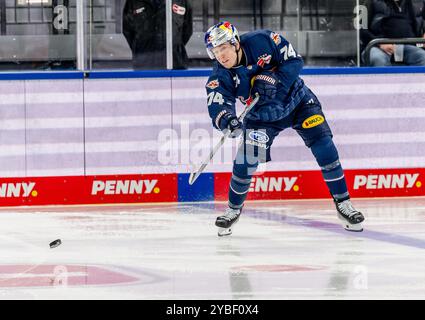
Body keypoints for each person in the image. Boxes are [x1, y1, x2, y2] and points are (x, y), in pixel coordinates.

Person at [204, 22, 365, 236]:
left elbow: (294, 60)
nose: (220, 55)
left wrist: (276, 79)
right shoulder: (220, 75)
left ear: (235, 43)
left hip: (298, 102)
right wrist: (228, 120)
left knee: (324, 146)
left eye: (223, 48)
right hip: (262, 117)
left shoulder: (263, 40)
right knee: (246, 162)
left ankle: (344, 205)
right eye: (215, 51)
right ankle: (232, 210)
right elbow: (218, 104)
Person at [122, 0, 193, 69]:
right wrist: (141, 49)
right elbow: (128, 30)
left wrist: (173, 46)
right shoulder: (134, 2)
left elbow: (187, 31)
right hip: (144, 64)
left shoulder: (181, 1)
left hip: (175, 64)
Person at [361, 0, 425, 66]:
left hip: (408, 45)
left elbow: (421, 20)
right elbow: (362, 30)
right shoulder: (372, 2)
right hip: (377, 46)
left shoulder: (416, 2)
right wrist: (380, 44)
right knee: (378, 59)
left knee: (423, 57)